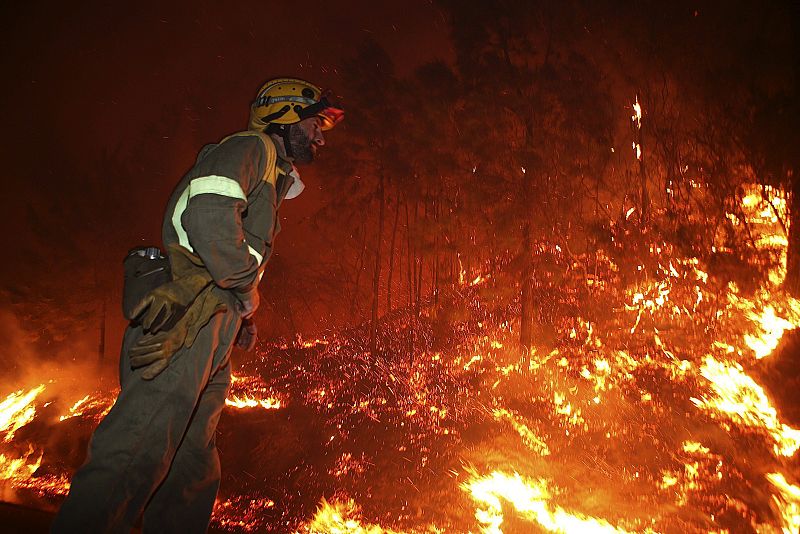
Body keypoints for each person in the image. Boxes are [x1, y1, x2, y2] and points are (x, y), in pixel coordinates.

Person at [52, 78, 343, 533]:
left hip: (214, 320)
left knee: (191, 465)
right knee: (137, 448)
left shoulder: (269, 173)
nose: (321, 137)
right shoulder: (251, 148)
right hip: (187, 318)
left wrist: (241, 315)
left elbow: (233, 247)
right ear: (283, 118)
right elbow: (207, 214)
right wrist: (244, 290)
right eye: (313, 124)